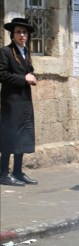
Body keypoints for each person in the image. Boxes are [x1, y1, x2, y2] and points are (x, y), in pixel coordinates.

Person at [0, 18, 38, 186]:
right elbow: (2, 75)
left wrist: (32, 76)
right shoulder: (5, 52)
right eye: (18, 32)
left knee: (22, 135)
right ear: (12, 34)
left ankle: (17, 171)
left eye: (24, 32)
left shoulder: (25, 51)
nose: (22, 35)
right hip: (11, 102)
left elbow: (27, 70)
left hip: (24, 102)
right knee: (10, 136)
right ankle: (3, 173)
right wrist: (24, 78)